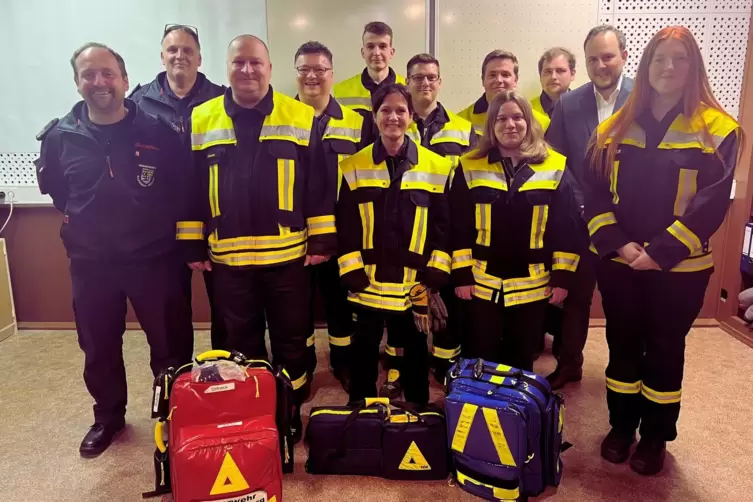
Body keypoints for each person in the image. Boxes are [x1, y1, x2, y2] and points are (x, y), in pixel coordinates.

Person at [583, 26, 742, 476]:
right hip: (620, 263)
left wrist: (661, 251)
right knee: (622, 344)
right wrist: (619, 244)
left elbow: (713, 202)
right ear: (645, 66)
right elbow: (592, 194)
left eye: (680, 59)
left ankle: (655, 435)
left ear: (694, 68)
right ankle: (621, 426)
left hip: (681, 269)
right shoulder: (613, 127)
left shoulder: (718, 129)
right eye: (659, 59)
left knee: (666, 348)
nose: (668, 68)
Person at [35, 42, 196, 457]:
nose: (99, 82)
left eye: (107, 73)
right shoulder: (58, 137)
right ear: (77, 83)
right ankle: (108, 416)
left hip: (153, 259)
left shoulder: (159, 132)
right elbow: (57, 191)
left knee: (171, 342)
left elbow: (180, 188)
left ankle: (177, 412)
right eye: (89, 74)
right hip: (91, 263)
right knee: (99, 344)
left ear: (125, 80)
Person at [185, 35, 336, 442]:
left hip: (288, 256)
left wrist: (321, 241)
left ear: (270, 68)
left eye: (256, 63)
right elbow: (190, 187)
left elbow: (319, 185)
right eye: (239, 63)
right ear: (227, 67)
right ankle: (252, 405)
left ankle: (291, 402)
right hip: (228, 259)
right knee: (240, 337)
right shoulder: (201, 118)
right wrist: (192, 243)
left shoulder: (300, 116)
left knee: (291, 334)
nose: (247, 71)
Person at [337, 83, 452, 405]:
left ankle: (417, 406)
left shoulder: (437, 167)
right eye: (385, 110)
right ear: (375, 117)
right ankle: (360, 406)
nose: (393, 117)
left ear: (411, 116)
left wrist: (434, 275)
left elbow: (443, 227)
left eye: (401, 110)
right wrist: (351, 270)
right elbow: (345, 224)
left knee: (415, 350)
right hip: (367, 283)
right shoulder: (352, 166)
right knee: (364, 350)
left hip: (413, 285)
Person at [451, 90, 580, 372]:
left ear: (529, 121)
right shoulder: (469, 165)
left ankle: (515, 414)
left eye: (518, 117)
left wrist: (562, 277)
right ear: (491, 126)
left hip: (533, 285)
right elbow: (457, 223)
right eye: (502, 118)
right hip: (480, 282)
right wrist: (461, 274)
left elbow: (567, 225)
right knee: (480, 356)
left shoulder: (555, 166)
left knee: (521, 358)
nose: (511, 124)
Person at [129, 23, 229, 350]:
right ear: (162, 56)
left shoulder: (223, 99)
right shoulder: (138, 103)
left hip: (217, 219)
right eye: (172, 50)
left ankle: (228, 374)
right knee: (171, 311)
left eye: (188, 50)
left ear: (200, 58)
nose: (179, 56)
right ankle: (178, 377)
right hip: (163, 227)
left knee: (228, 309)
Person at [544, 25, 633, 390]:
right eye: (593, 58)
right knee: (576, 300)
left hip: (631, 226)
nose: (601, 65)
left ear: (624, 57)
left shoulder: (644, 99)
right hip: (581, 223)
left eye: (608, 56)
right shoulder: (569, 103)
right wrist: (582, 206)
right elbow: (555, 162)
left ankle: (624, 371)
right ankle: (569, 364)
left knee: (623, 304)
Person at [294, 40, 365, 390]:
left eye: (319, 69)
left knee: (340, 306)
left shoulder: (356, 123)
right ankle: (303, 368)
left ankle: (343, 363)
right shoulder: (277, 118)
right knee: (297, 307)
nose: (312, 76)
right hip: (292, 236)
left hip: (342, 235)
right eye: (304, 69)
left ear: (331, 74)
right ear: (295, 75)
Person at [404, 53, 477, 384]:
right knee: (411, 301)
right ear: (407, 82)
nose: (425, 83)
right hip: (407, 228)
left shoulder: (462, 129)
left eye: (431, 77)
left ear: (440, 82)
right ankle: (411, 367)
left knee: (449, 305)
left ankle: (446, 365)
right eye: (418, 77)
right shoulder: (393, 120)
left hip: (449, 226)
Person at [333, 21, 406, 144]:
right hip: (356, 161)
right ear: (363, 52)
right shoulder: (341, 91)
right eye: (370, 46)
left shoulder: (407, 88)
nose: (376, 53)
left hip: (397, 162)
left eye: (382, 46)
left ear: (391, 52)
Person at [458, 50, 551, 136]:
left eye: (505, 75)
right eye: (492, 75)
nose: (499, 80)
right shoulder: (461, 121)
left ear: (516, 80)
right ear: (483, 80)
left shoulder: (542, 123)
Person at [532, 47, 577, 119]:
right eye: (548, 72)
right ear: (540, 76)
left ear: (572, 74)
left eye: (560, 71)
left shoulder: (585, 107)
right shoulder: (527, 111)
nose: (553, 77)